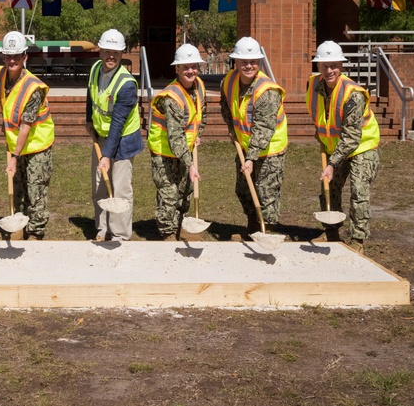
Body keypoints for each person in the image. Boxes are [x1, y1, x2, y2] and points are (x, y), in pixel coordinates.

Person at [305, 40, 381, 253]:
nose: (329, 70)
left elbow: (351, 137)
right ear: (318, 66)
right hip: (334, 147)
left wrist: (331, 164)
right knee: (329, 188)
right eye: (324, 66)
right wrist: (320, 133)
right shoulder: (313, 85)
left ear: (341, 65)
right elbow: (320, 113)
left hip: (362, 147)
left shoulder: (353, 94)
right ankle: (331, 233)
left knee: (358, 189)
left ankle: (357, 240)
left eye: (334, 65)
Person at [219, 36, 288, 237]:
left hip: (270, 149)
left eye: (253, 62)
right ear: (236, 62)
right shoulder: (229, 80)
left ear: (259, 62)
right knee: (243, 189)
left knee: (267, 192)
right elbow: (225, 103)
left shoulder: (267, 91)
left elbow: (264, 127)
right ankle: (252, 227)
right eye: (244, 62)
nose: (249, 66)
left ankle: (267, 232)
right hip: (244, 145)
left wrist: (251, 158)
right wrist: (230, 126)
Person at [0, 31, 54, 240]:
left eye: (17, 56)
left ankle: (36, 231)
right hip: (15, 144)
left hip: (37, 145)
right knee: (18, 187)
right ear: (3, 57)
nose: (12, 60)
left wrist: (15, 156)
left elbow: (26, 125)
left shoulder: (33, 88)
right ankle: (19, 226)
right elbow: (5, 103)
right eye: (8, 56)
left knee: (35, 190)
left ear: (24, 57)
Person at [87, 28, 142, 241]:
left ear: (122, 54)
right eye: (107, 51)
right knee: (100, 184)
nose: (111, 56)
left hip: (123, 141)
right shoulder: (95, 69)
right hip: (101, 136)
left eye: (116, 52)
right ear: (100, 51)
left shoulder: (126, 84)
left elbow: (118, 123)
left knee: (119, 189)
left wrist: (107, 156)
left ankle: (119, 234)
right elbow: (90, 93)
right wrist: (88, 119)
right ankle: (102, 229)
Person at [148, 43, 206, 240]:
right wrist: (190, 164)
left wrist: (198, 134)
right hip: (164, 150)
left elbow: (201, 115)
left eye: (194, 66)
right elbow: (175, 135)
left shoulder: (199, 87)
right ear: (177, 69)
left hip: (184, 149)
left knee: (185, 189)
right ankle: (168, 232)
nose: (191, 71)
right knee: (168, 192)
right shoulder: (172, 97)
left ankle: (183, 226)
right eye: (186, 67)